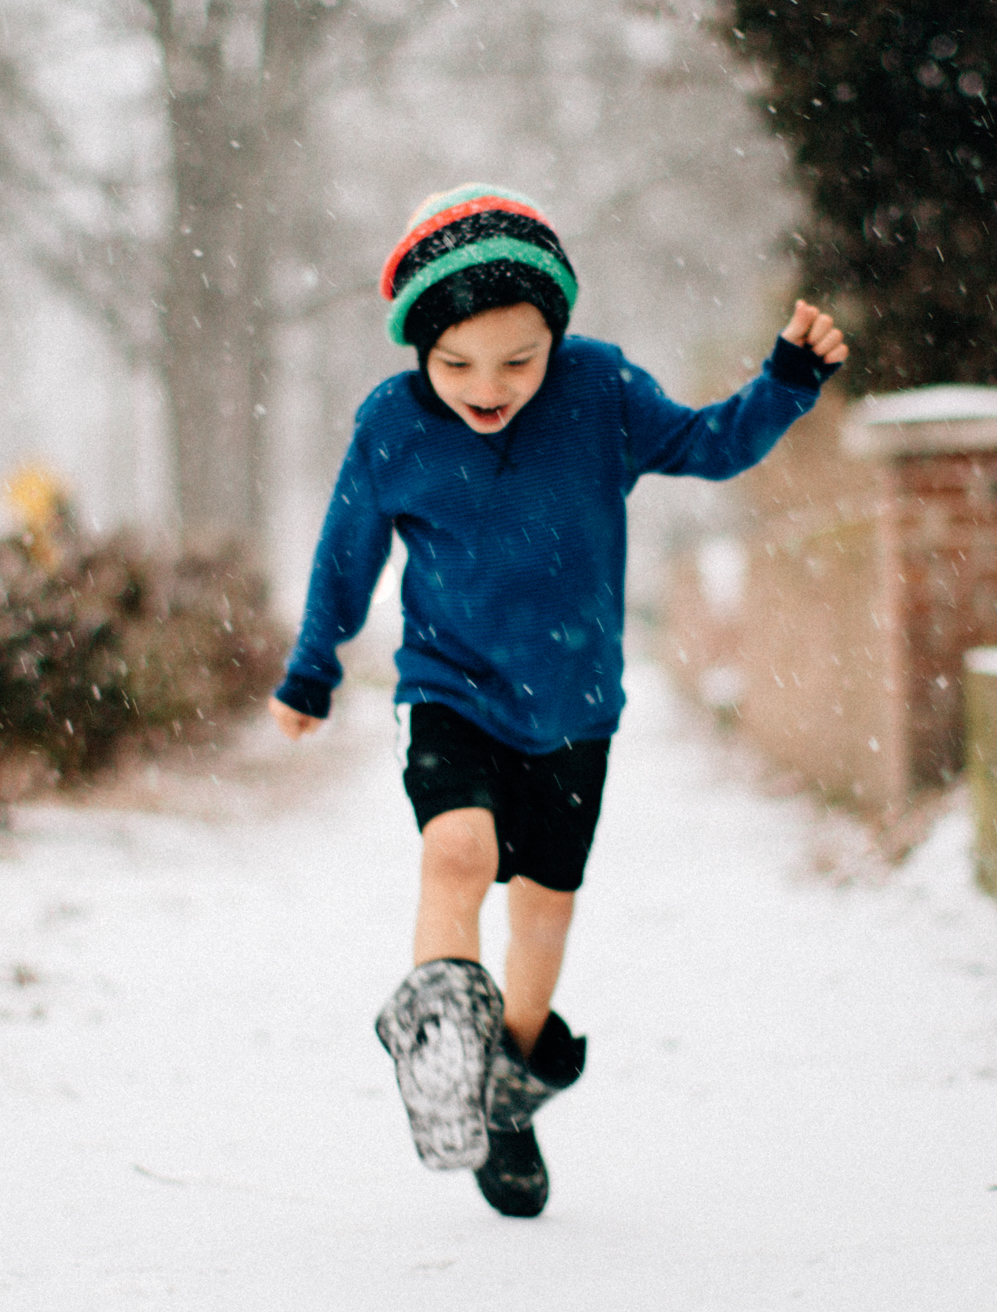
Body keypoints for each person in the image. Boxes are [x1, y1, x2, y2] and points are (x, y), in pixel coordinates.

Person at [268, 184, 846, 1216]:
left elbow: (710, 445)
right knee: (457, 852)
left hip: (574, 706)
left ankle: (511, 1090)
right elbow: (345, 555)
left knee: (542, 913)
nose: (487, 387)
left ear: (557, 340)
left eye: (517, 361)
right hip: (448, 686)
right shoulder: (393, 426)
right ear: (418, 350)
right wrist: (314, 666)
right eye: (457, 366)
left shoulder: (601, 394)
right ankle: (442, 1042)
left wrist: (788, 380)